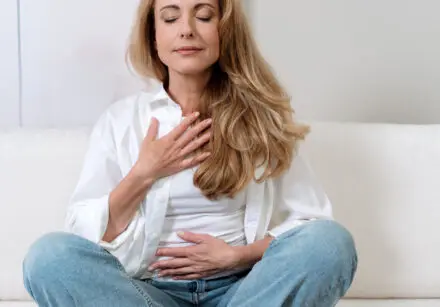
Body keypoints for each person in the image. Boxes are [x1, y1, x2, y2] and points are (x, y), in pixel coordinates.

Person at [22, 0, 357, 306]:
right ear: (153, 36)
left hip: (243, 292)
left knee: (330, 244)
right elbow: (86, 234)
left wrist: (238, 256)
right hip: (148, 293)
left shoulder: (261, 118)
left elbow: (310, 222)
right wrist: (144, 173)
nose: (186, 29)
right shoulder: (121, 121)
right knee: (48, 258)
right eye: (170, 17)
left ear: (224, 29)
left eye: (204, 16)